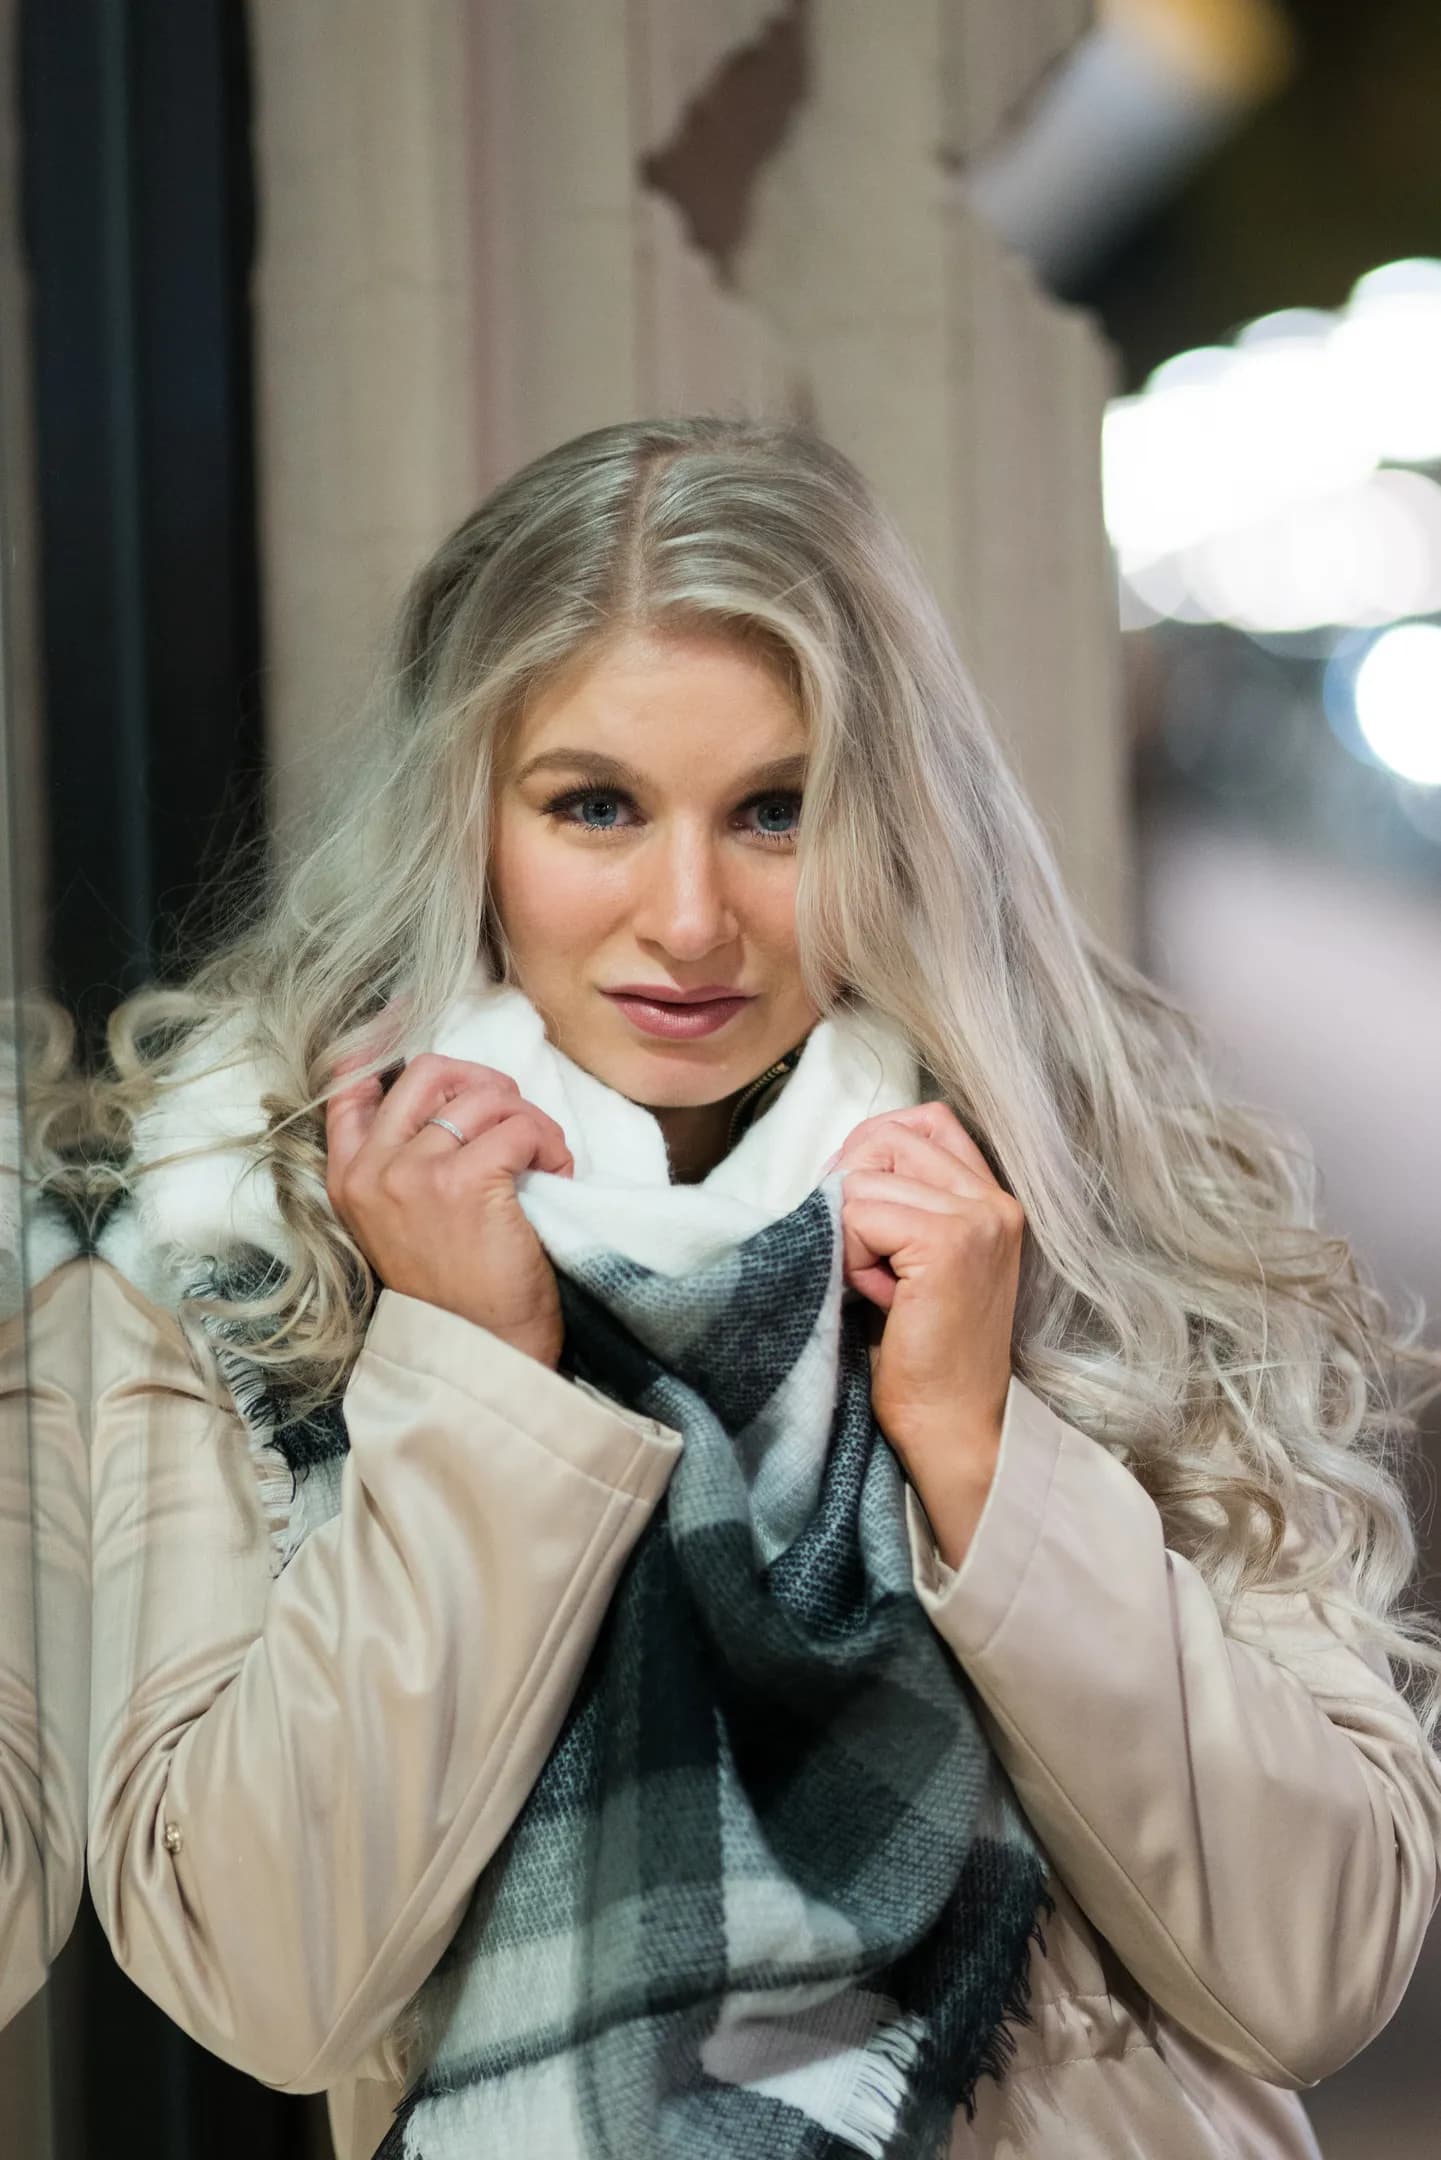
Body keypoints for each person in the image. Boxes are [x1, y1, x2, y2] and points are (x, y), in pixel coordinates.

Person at [86, 414, 1441, 2159]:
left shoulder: (1107, 1214)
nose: (689, 919)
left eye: (775, 812)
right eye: (594, 807)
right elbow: (271, 1982)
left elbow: (1314, 1968)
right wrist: (474, 1374)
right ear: (465, 823)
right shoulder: (246, 1254)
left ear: (893, 823)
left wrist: (977, 1447)